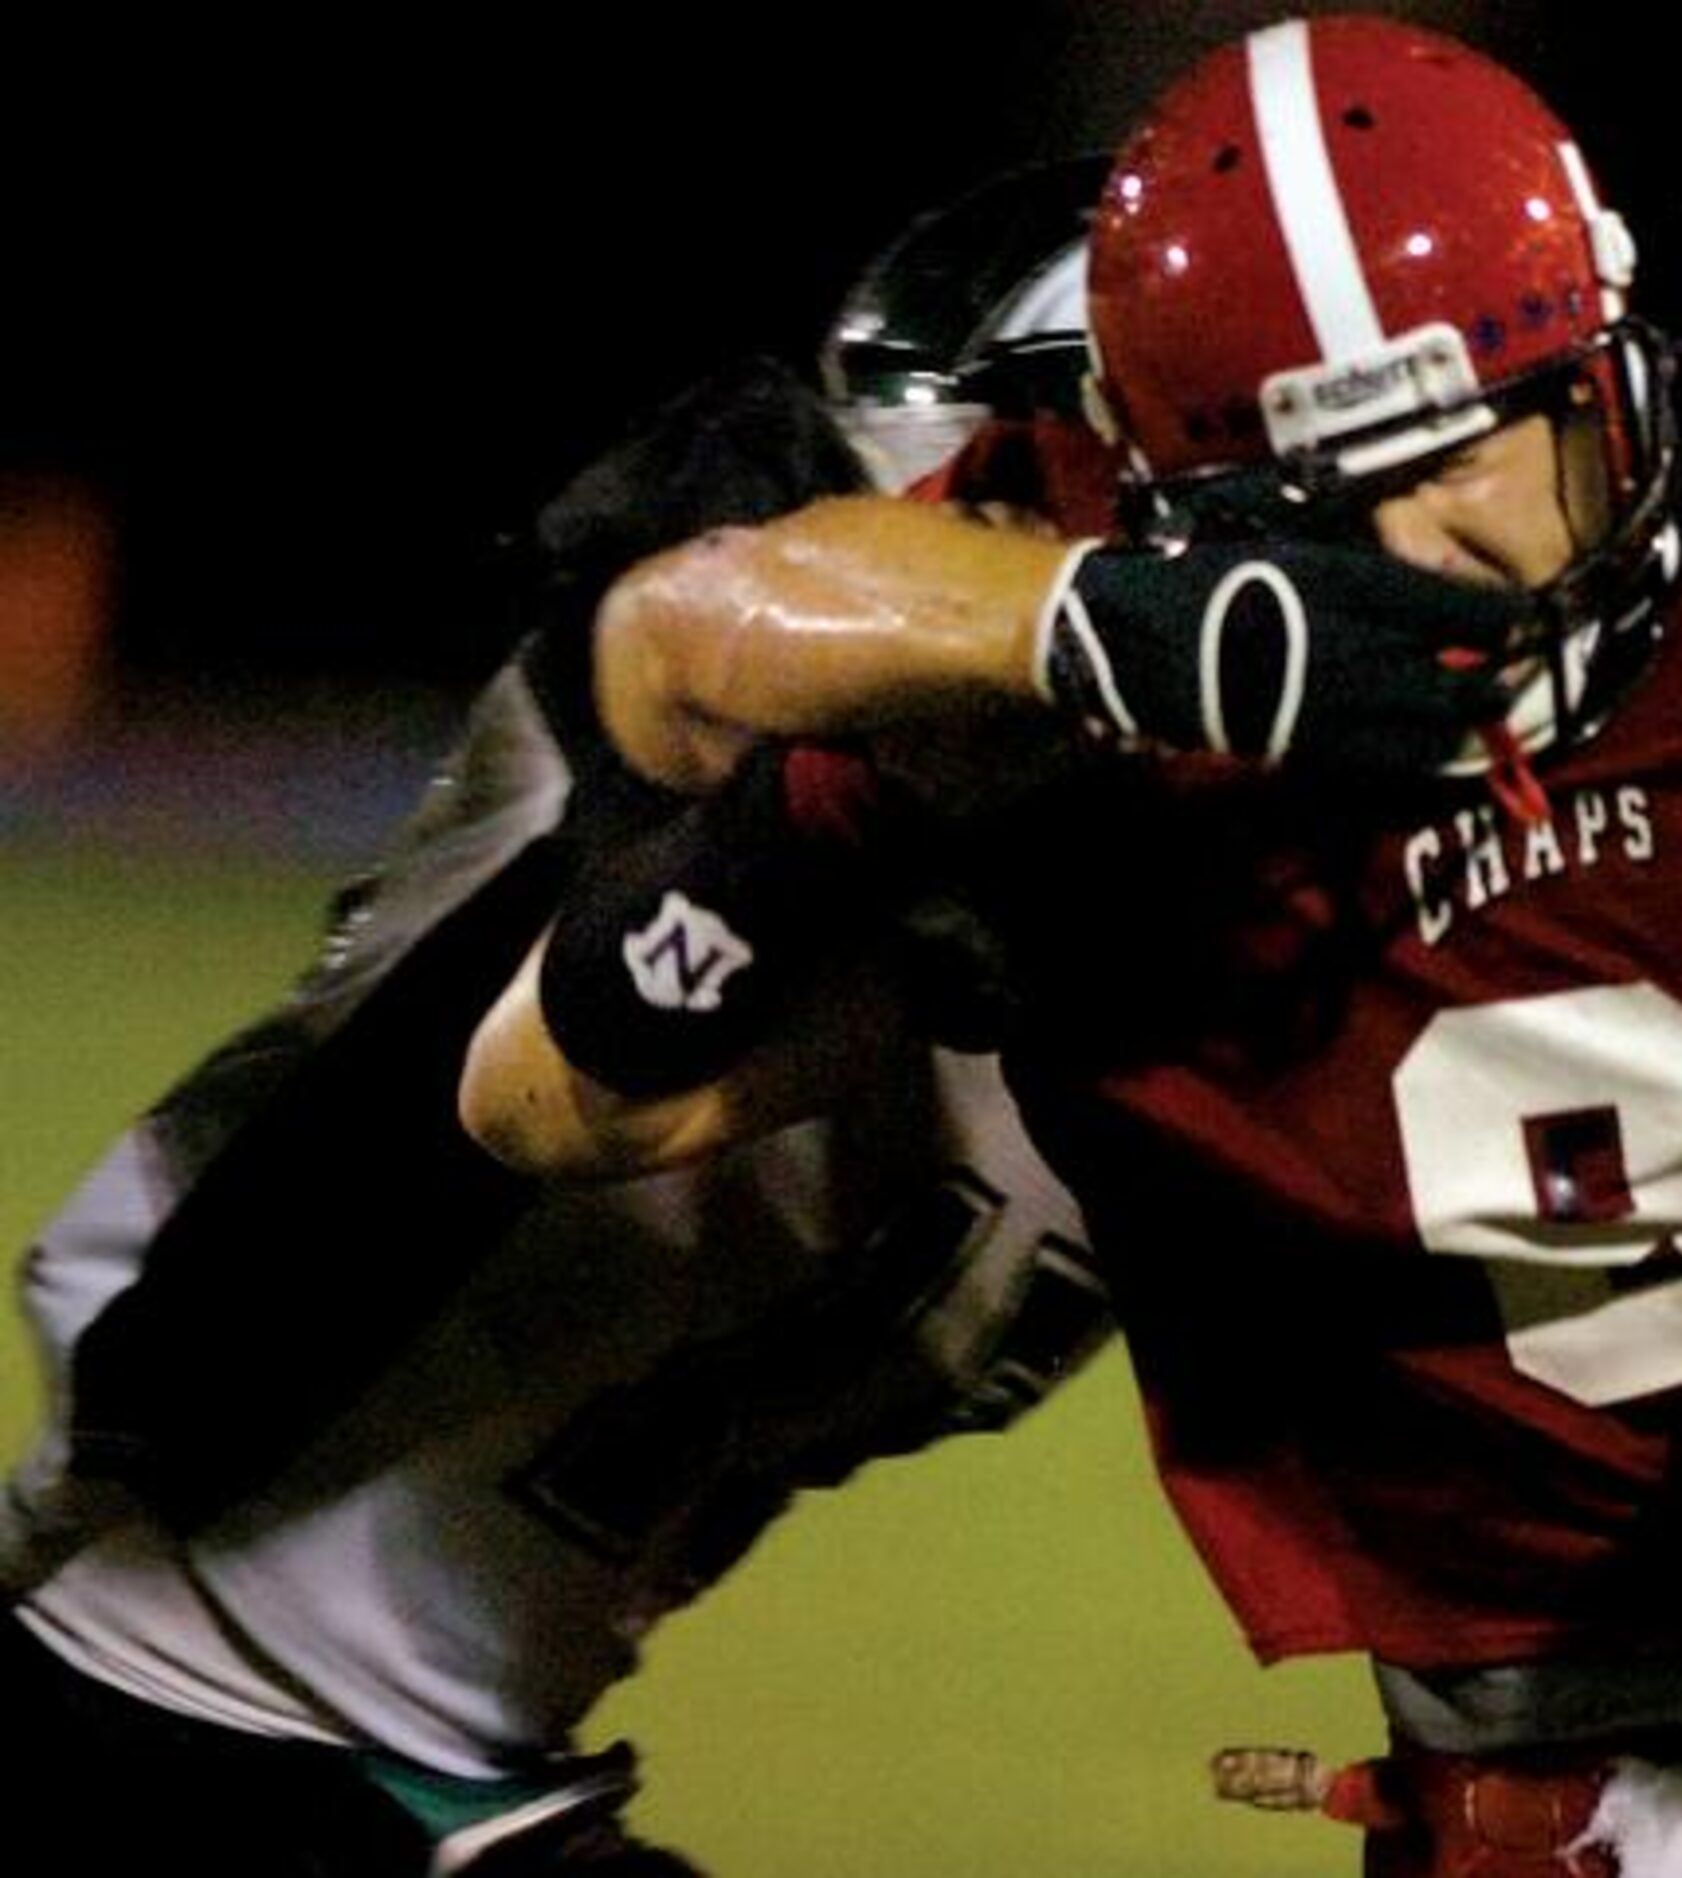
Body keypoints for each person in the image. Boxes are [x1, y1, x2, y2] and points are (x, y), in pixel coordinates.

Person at [459, 17, 1682, 1876]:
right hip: (1550, 1813)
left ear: (1603, 356)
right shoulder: (1102, 705)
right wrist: (1019, 675)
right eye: (1328, 504)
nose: (1429, 540)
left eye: (1476, 440)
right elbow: (566, 1041)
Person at [0, 162, 1114, 1877]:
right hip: (163, 1674)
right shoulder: (711, 652)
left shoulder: (1232, 947)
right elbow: (705, 631)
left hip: (433, 1760)